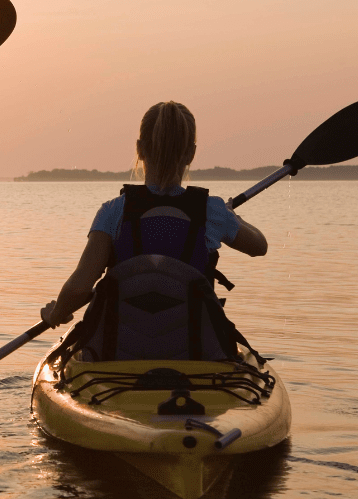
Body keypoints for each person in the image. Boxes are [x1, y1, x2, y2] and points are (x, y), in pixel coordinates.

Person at [39, 101, 268, 361]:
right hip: (194, 354)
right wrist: (232, 217)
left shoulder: (113, 211)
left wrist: (57, 313)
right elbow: (260, 246)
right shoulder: (212, 211)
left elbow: (79, 288)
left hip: (118, 354)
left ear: (140, 149)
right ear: (191, 154)